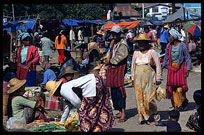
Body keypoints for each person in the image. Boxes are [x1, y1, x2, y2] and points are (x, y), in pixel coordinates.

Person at [45, 63, 114, 132]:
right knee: (98, 106)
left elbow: (77, 102)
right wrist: (62, 123)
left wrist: (79, 109)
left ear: (56, 91)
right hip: (97, 79)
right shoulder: (65, 87)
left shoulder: (63, 90)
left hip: (92, 84)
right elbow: (66, 108)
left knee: (85, 112)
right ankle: (99, 128)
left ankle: (87, 130)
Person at [131, 33, 162, 124]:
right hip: (137, 80)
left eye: (143, 43)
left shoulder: (152, 52)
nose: (141, 45)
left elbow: (158, 65)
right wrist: (132, 78)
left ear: (147, 43)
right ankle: (144, 118)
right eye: (139, 43)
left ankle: (154, 112)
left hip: (149, 79)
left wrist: (158, 78)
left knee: (149, 98)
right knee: (139, 98)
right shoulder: (136, 53)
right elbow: (133, 66)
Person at [162, 28, 191, 111]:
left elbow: (187, 58)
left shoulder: (182, 45)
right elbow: (166, 56)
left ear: (174, 37)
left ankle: (184, 101)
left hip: (181, 69)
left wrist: (187, 69)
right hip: (171, 69)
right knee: (172, 88)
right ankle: (175, 106)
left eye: (169, 35)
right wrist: (164, 64)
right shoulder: (169, 45)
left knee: (180, 88)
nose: (168, 37)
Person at [104, 25, 129, 123]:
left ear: (119, 34)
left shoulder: (123, 44)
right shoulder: (113, 43)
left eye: (116, 34)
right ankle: (118, 109)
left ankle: (123, 112)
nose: (114, 36)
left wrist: (110, 61)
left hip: (119, 68)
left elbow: (120, 56)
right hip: (112, 68)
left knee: (119, 90)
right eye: (113, 34)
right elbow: (111, 53)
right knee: (113, 90)